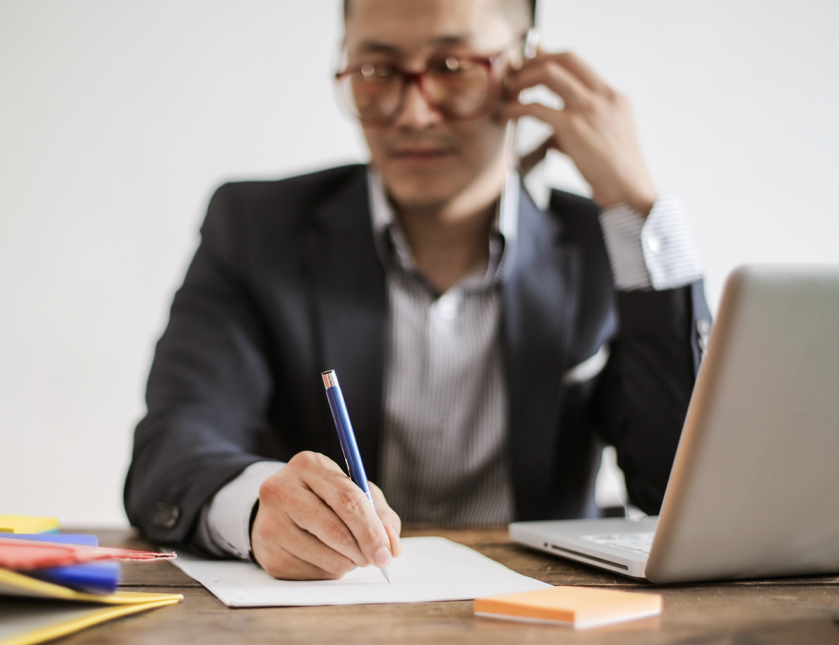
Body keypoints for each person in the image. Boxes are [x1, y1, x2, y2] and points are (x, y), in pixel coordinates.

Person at [124, 0, 711, 581]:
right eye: (376, 71)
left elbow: (679, 489)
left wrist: (637, 211)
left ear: (526, 66)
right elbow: (173, 448)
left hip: (546, 609)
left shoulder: (605, 244)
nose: (412, 113)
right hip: (331, 613)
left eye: (453, 67)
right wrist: (258, 507)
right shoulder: (257, 230)